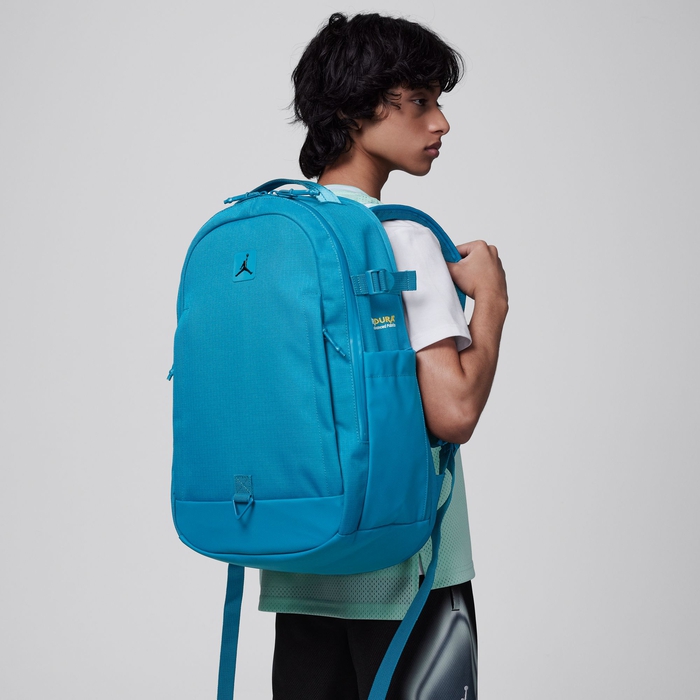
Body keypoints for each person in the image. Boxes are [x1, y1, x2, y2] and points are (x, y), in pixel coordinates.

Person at [258, 13, 508, 700]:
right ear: (356, 108)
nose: (441, 123)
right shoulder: (401, 239)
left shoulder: (280, 235)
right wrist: (492, 302)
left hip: (302, 559)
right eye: (420, 102)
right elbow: (453, 412)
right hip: (408, 569)